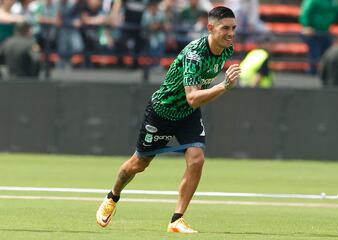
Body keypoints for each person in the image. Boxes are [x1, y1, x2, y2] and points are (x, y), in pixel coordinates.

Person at [96, 6, 239, 233]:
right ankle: (112, 197)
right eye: (225, 28)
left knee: (196, 159)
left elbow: (193, 100)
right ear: (210, 28)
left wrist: (217, 87)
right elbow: (192, 97)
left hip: (188, 114)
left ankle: (176, 220)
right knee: (138, 164)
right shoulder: (194, 54)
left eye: (233, 28)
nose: (231, 33)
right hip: (163, 111)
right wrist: (224, 86)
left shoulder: (226, 49)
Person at [299, 0, 338, 75]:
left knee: (328, 52)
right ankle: (312, 71)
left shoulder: (334, 3)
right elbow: (305, 12)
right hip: (311, 32)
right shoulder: (313, 1)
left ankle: (326, 72)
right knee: (315, 50)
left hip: (324, 32)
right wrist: (306, 26)